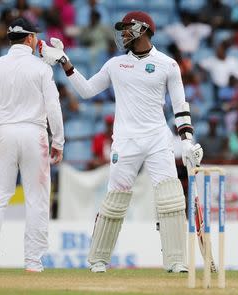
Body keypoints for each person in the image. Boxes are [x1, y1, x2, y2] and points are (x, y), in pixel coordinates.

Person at [40, 11, 203, 273]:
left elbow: (180, 106)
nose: (123, 34)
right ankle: (99, 260)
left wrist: (186, 140)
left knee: (171, 199)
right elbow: (87, 91)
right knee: (115, 200)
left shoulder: (168, 64)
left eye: (128, 29)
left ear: (144, 29)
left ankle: (175, 261)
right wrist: (65, 61)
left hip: (158, 139)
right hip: (126, 141)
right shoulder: (115, 65)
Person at [0, 17, 64, 272]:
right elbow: (53, 107)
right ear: (30, 38)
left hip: (5, 133)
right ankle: (33, 261)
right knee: (37, 199)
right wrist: (59, 141)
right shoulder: (41, 68)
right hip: (35, 133)